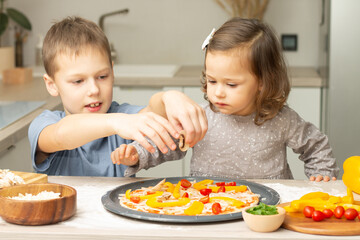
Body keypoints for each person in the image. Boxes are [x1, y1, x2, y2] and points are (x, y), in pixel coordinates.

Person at [114, 18, 339, 182]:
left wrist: (322, 175)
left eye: (231, 84)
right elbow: (166, 144)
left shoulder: (281, 119)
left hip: (267, 211)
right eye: (212, 81)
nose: (218, 93)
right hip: (207, 206)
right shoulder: (200, 117)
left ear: (262, 81)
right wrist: (137, 155)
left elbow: (316, 146)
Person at [28, 16, 207, 177]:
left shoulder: (124, 116)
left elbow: (153, 111)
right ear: (52, 85)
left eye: (102, 77)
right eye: (78, 81)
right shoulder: (45, 124)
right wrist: (116, 122)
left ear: (113, 73)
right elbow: (61, 134)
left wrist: (169, 97)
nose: (94, 89)